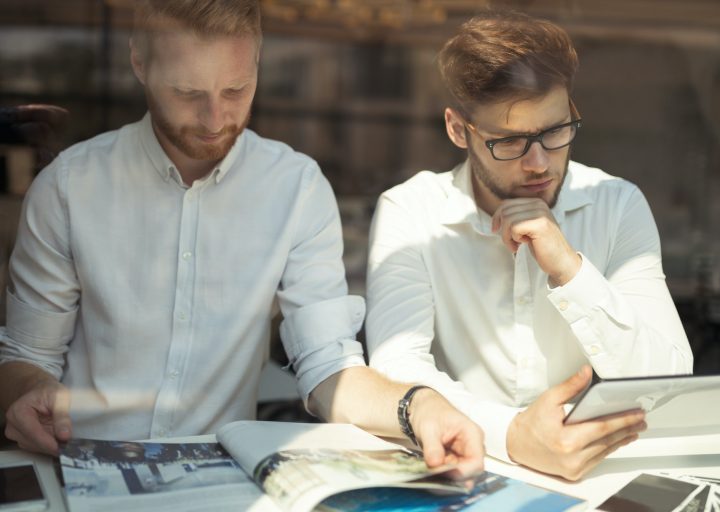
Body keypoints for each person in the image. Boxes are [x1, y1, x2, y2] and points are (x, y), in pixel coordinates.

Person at [0, 0, 483, 479]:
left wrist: (416, 407)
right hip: (79, 466)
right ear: (139, 62)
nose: (214, 119)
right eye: (188, 92)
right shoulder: (68, 187)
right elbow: (26, 357)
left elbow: (327, 366)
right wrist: (26, 392)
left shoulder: (296, 188)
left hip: (216, 480)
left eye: (236, 90)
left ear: (257, 61)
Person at [365, 9, 693, 481]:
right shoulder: (411, 211)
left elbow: (668, 379)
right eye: (510, 142)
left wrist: (570, 270)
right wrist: (514, 435)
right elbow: (397, 372)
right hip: (465, 464)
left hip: (598, 474)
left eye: (555, 131)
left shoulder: (616, 203)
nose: (539, 163)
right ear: (459, 130)